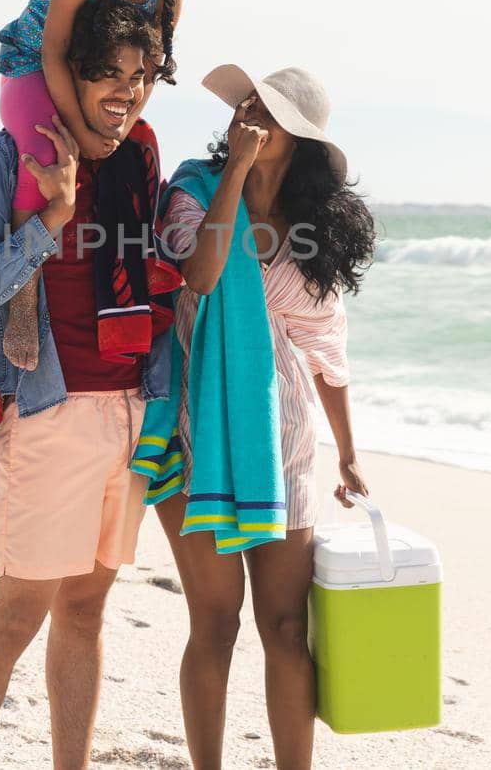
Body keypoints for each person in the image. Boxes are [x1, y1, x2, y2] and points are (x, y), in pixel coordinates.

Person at [0, 0, 177, 770]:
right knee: (13, 617)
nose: (125, 90)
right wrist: (53, 213)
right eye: (107, 71)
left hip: (133, 408)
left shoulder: (140, 154)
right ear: (66, 71)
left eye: (139, 77)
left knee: (86, 607)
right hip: (49, 412)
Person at [136, 66, 378, 770]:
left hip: (287, 446)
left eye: (268, 112)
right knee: (214, 622)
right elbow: (202, 276)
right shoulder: (195, 189)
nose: (250, 114)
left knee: (284, 627)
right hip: (193, 434)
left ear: (297, 139)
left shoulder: (311, 234)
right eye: (248, 103)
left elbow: (326, 353)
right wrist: (236, 169)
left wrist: (349, 453)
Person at [0, 0, 202, 374]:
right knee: (46, 152)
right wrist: (83, 134)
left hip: (109, 86)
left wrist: (120, 130)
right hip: (33, 66)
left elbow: (149, 72)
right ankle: (24, 289)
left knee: (137, 153)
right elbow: (54, 48)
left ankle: (140, 280)